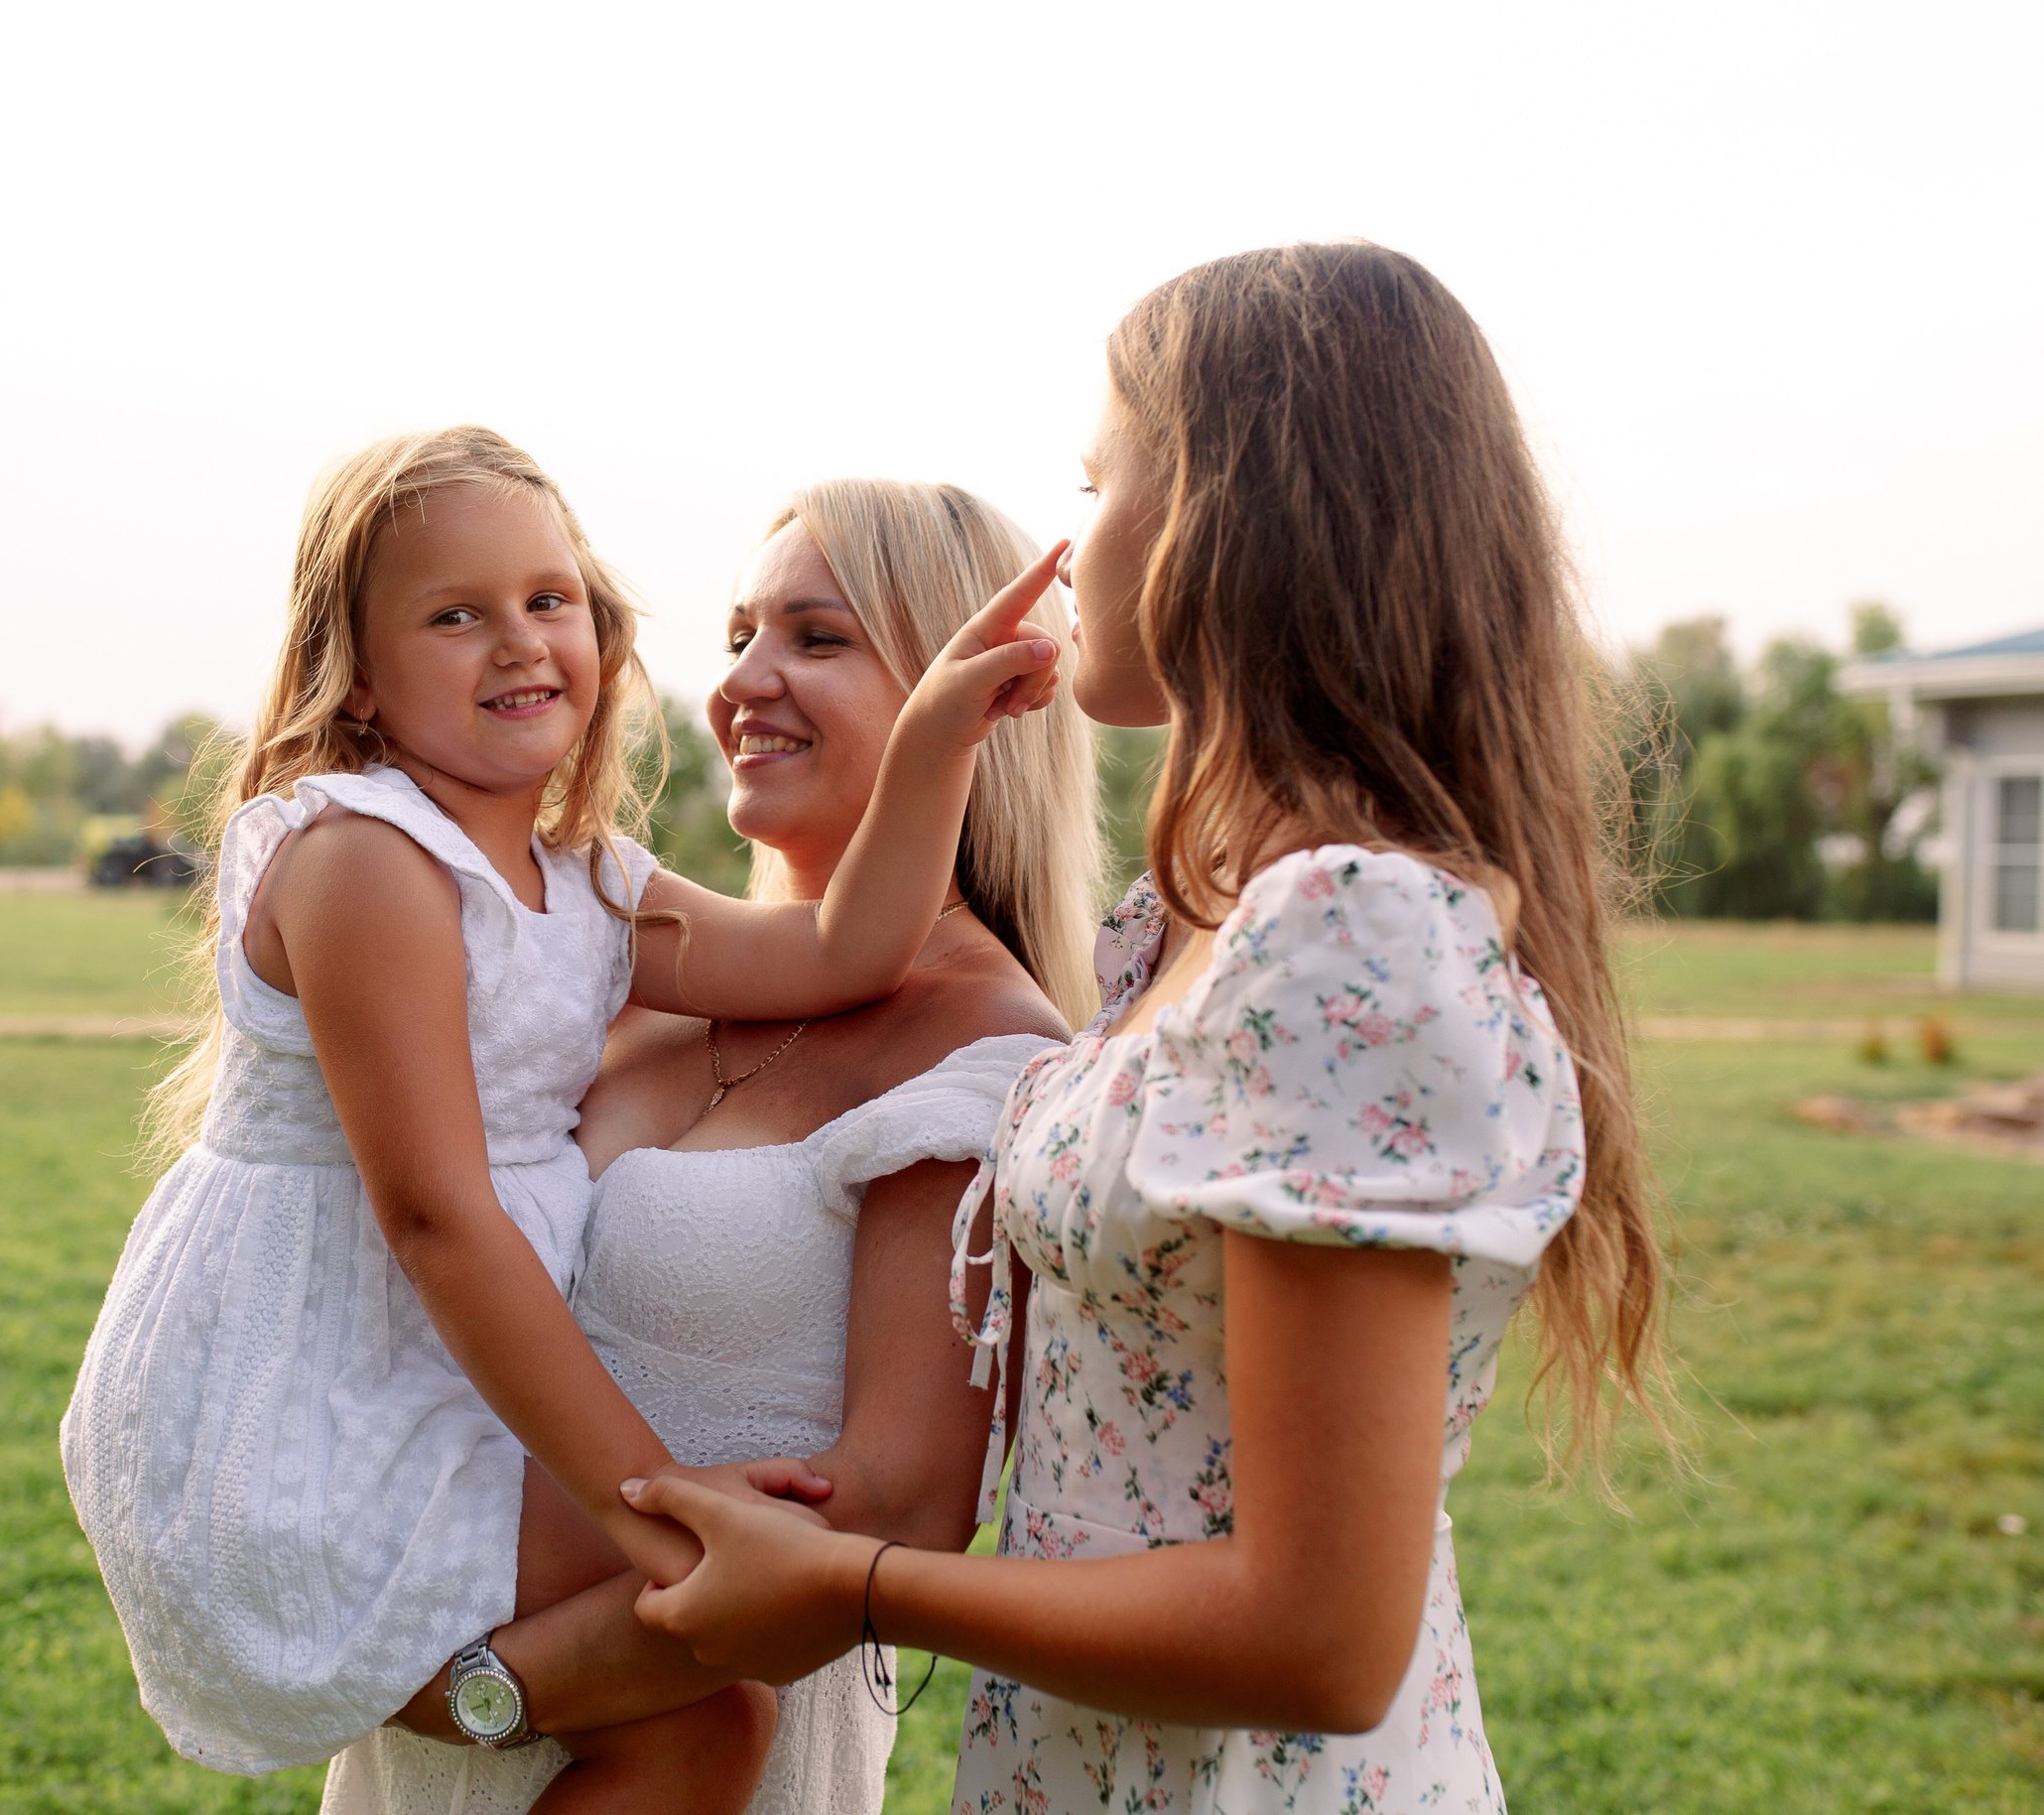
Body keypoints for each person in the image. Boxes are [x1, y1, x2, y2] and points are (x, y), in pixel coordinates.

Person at [621, 244, 1672, 1814]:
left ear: (1225, 514)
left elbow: (1318, 1639)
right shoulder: (1187, 928)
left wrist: (854, 1588)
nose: (1066, 539)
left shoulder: (1350, 937)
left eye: (1100, 478)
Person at [59, 427, 1065, 1811]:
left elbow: (845, 949)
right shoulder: (368, 861)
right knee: (703, 1722)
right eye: (454, 613)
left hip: (489, 1502)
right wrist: (650, 1500)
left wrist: (943, 734)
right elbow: (437, 1220)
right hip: (310, 1406)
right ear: (354, 676)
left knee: (707, 1732)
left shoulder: (588, 891)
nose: (520, 642)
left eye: (549, 601)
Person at [322, 479, 1103, 1815]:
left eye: (816, 637)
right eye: (741, 633)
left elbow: (888, 1518)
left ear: (967, 696)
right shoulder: (617, 979)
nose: (743, 681)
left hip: (677, 1742)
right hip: (414, 1740)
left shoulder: (986, 1052)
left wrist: (474, 1684)